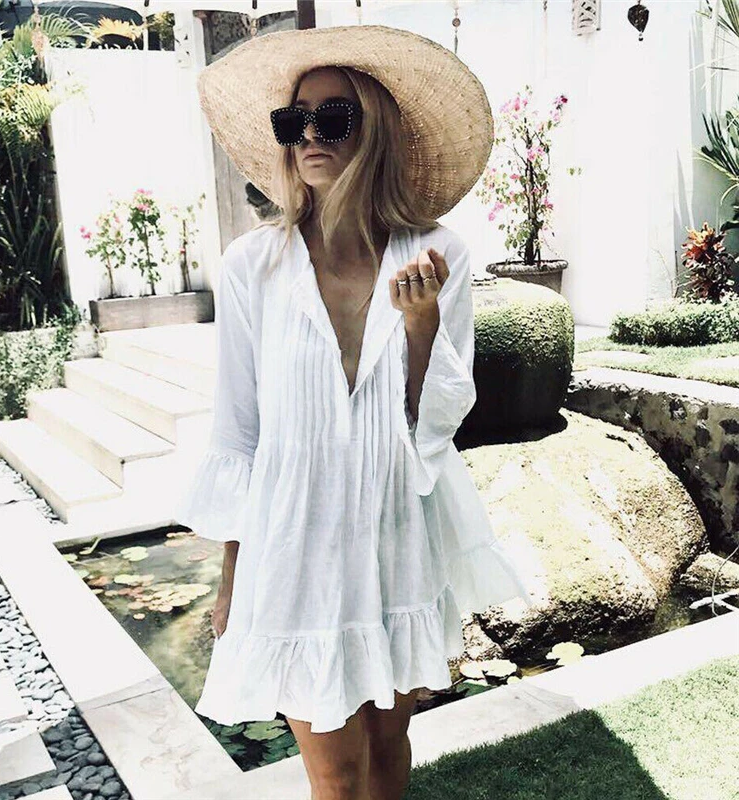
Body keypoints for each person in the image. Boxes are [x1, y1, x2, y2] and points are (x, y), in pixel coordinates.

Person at [175, 24, 538, 800]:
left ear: (373, 130)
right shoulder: (251, 265)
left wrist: (422, 323)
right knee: (336, 777)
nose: (309, 135)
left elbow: (433, 425)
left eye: (332, 117)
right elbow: (239, 430)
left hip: (395, 533)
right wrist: (234, 573)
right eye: (294, 120)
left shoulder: (436, 253)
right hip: (293, 543)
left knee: (388, 743)